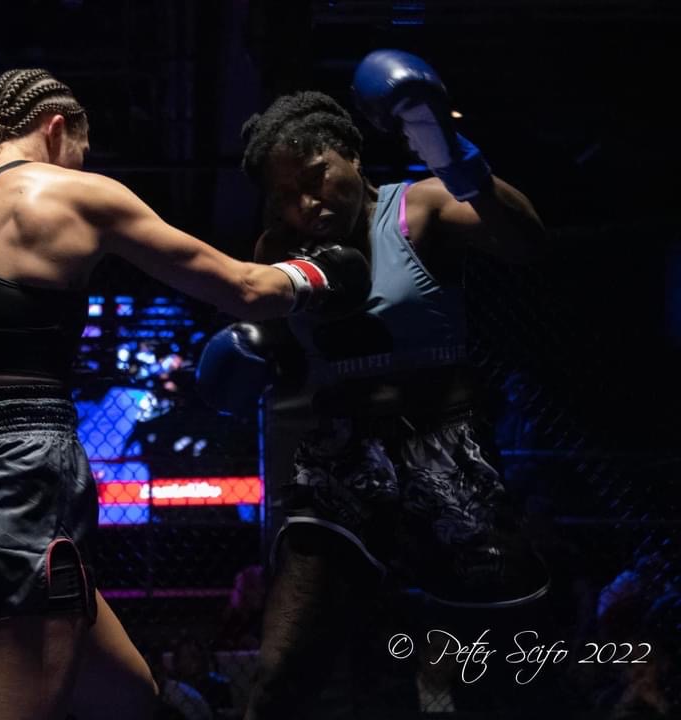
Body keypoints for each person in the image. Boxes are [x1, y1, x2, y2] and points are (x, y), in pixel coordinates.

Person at [0, 68, 368, 720]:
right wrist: (319, 274)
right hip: (23, 477)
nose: (82, 164)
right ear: (56, 129)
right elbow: (245, 288)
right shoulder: (72, 195)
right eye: (81, 150)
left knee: (130, 696)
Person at [197, 50, 552, 718]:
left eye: (315, 178)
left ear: (351, 156)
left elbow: (526, 242)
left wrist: (455, 157)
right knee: (281, 672)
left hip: (444, 449)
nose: (306, 204)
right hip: (340, 457)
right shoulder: (276, 247)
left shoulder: (421, 208)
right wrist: (249, 356)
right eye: (284, 195)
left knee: (474, 676)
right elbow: (274, 348)